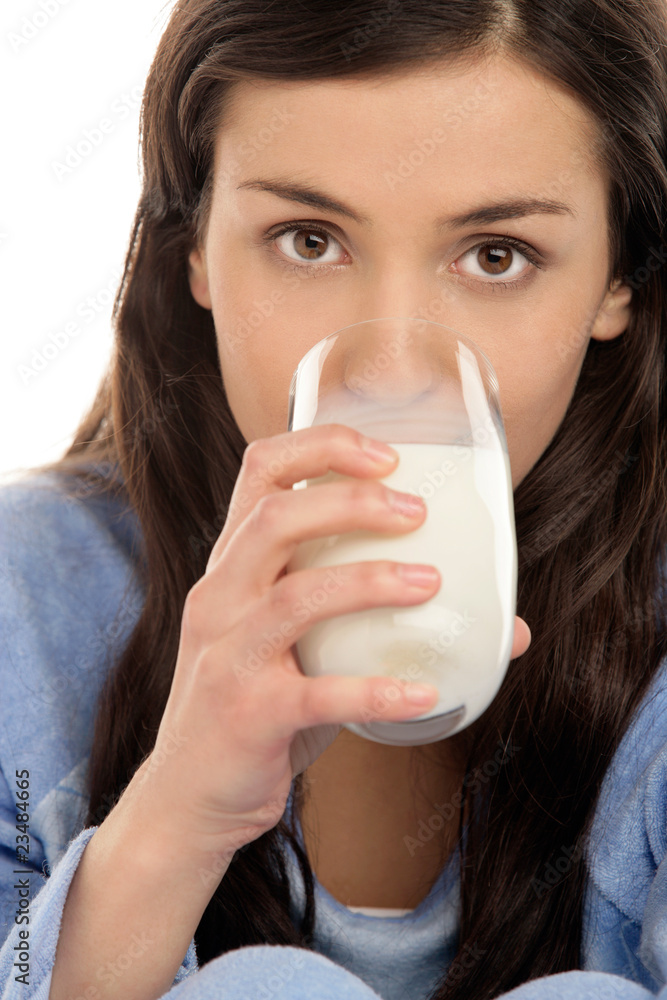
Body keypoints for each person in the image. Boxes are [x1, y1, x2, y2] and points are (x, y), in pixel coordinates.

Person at [1, 0, 666, 997]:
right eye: (309, 239)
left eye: (495, 255)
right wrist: (174, 817)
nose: (392, 366)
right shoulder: (25, 604)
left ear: (618, 275)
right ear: (192, 246)